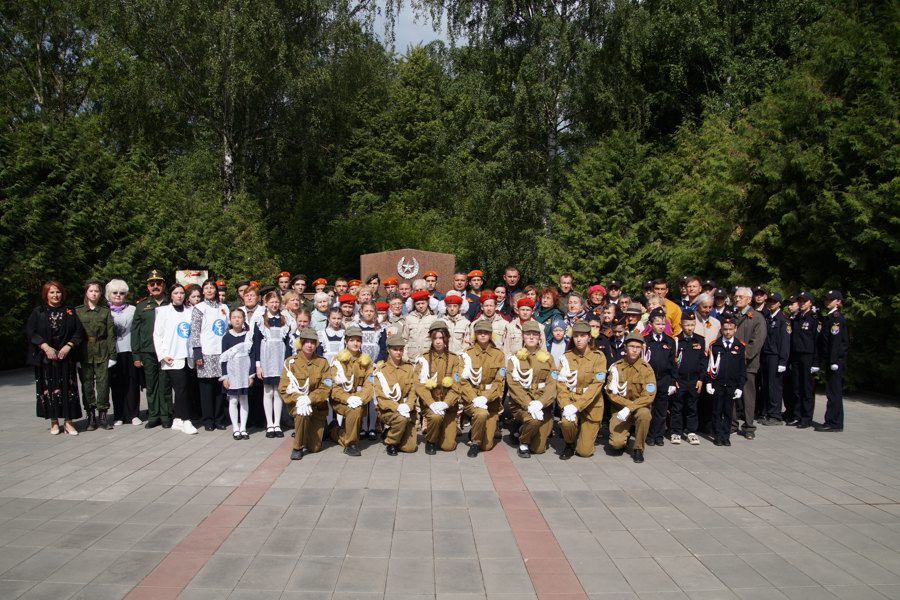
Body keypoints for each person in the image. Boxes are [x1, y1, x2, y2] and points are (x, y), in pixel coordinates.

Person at [26, 281, 84, 436]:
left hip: (66, 357)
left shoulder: (69, 311)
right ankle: (54, 421)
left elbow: (79, 332)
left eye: (58, 292)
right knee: (49, 389)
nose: (55, 295)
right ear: (46, 294)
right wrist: (45, 347)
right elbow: (31, 332)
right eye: (52, 292)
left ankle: (69, 422)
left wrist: (68, 346)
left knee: (68, 388)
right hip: (46, 358)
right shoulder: (39, 312)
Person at [279, 328, 332, 460]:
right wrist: (299, 399)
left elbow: (327, 386)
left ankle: (330, 429)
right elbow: (283, 388)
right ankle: (297, 447)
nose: (309, 345)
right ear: (301, 343)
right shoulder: (290, 363)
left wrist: (309, 399)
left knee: (315, 447)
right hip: (297, 405)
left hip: (317, 407)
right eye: (306, 342)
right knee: (302, 412)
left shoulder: (322, 362)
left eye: (313, 342)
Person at [557, 322, 607, 459]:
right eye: (576, 336)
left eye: (583, 336)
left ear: (589, 337)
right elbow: (561, 384)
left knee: (585, 452)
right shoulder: (566, 357)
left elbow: (597, 385)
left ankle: (585, 439)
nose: (579, 339)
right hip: (571, 397)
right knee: (567, 422)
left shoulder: (598, 357)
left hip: (591, 404)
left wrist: (577, 406)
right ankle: (569, 443)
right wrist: (566, 404)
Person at [153, 283, 198, 434]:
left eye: (181, 293)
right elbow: (157, 335)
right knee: (181, 388)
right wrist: (162, 354)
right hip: (172, 356)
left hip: (188, 355)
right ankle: (186, 420)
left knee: (185, 388)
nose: (179, 295)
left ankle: (177, 419)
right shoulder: (163, 311)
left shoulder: (191, 311)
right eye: (176, 293)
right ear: (170, 295)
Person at [507, 321, 556, 458]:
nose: (532, 337)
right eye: (528, 334)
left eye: (535, 334)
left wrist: (541, 403)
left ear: (540, 337)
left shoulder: (548, 358)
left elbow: (552, 383)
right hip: (522, 404)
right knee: (533, 421)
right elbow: (513, 385)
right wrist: (528, 403)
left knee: (539, 449)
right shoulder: (515, 358)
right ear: (523, 336)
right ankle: (523, 442)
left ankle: (522, 429)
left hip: (542, 404)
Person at [606, 332, 656, 463]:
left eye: (638, 347)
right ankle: (624, 437)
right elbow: (611, 392)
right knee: (616, 445)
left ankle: (638, 448)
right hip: (620, 409)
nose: (634, 350)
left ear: (642, 349)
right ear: (625, 347)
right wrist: (626, 406)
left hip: (639, 407)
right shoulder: (616, 367)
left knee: (645, 414)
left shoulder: (647, 369)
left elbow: (649, 395)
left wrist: (631, 407)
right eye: (631, 346)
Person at [459, 320, 506, 457]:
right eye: (480, 332)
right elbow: (462, 381)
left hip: (490, 401)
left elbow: (499, 381)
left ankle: (475, 432)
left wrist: (485, 397)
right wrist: (474, 398)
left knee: (487, 446)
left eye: (486, 333)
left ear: (491, 335)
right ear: (475, 335)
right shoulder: (467, 354)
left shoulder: (499, 355)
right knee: (480, 413)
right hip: (472, 399)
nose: (483, 335)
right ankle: (474, 442)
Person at [414, 321, 462, 454]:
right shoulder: (423, 359)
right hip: (431, 405)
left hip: (449, 406)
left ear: (446, 338)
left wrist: (446, 404)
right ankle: (430, 440)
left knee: (448, 446)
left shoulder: (454, 359)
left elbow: (457, 385)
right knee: (435, 417)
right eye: (435, 338)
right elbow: (419, 384)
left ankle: (440, 430)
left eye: (441, 338)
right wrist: (431, 403)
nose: (438, 342)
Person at [132, 270, 172, 429]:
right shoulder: (142, 306)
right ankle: (154, 415)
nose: (155, 286)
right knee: (151, 385)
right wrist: (136, 354)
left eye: (159, 283)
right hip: (148, 351)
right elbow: (135, 331)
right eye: (152, 284)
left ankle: (166, 415)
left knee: (166, 384)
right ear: (148, 287)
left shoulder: (171, 303)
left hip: (167, 351)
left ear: (163, 285)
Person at [76, 280, 116, 431]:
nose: (94, 293)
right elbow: (74, 335)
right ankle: (91, 415)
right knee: (87, 384)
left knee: (103, 384)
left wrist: (113, 355)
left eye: (97, 291)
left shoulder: (105, 312)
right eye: (91, 290)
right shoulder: (78, 311)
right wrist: (75, 357)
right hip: (84, 351)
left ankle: (103, 414)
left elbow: (111, 334)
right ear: (86, 292)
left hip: (102, 349)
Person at [252, 290, 293, 438]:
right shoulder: (261, 320)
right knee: (268, 391)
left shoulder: (284, 319)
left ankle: (277, 424)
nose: (274, 304)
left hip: (280, 358)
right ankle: (269, 424)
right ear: (266, 303)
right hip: (266, 359)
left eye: (277, 302)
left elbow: (288, 343)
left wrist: (287, 363)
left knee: (278, 392)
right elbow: (256, 342)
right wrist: (258, 365)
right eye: (272, 302)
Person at [190, 279, 230, 431]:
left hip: (221, 352)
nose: (209, 290)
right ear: (203, 291)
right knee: (206, 388)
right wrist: (197, 353)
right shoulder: (199, 308)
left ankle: (219, 418)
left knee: (220, 387)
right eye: (206, 288)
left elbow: (227, 328)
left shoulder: (224, 307)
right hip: (206, 353)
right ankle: (208, 419)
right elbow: (194, 331)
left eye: (211, 287)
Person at [329, 324, 373, 456]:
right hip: (340, 401)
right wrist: (348, 398)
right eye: (352, 340)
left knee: (356, 409)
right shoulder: (338, 361)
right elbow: (334, 387)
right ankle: (351, 443)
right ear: (346, 341)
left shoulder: (366, 361)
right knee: (355, 411)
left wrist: (360, 398)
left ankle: (335, 432)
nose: (355, 343)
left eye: (358, 340)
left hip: (359, 400)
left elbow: (370, 384)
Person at [705, 314, 747, 446]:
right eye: (725, 329)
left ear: (735, 329)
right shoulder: (715, 345)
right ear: (721, 330)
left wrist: (740, 386)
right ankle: (717, 435)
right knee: (717, 411)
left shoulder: (739, 346)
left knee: (729, 412)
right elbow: (709, 366)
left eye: (730, 328)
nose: (728, 332)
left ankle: (726, 435)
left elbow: (742, 368)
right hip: (717, 384)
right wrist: (708, 382)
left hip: (731, 385)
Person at [375, 334, 419, 455]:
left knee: (410, 448)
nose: (398, 352)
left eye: (401, 349)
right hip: (389, 410)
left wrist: (408, 405)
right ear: (388, 350)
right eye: (395, 349)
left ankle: (391, 432)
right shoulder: (381, 370)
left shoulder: (409, 368)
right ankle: (391, 442)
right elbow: (381, 396)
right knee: (400, 418)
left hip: (407, 410)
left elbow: (413, 390)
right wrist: (397, 407)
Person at [106, 279, 141, 427]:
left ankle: (133, 414)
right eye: (115, 293)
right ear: (109, 294)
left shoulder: (133, 309)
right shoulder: (105, 311)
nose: (118, 295)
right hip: (113, 353)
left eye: (122, 293)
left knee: (132, 383)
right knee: (116, 384)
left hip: (130, 350)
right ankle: (119, 414)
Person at [732, 287, 766, 439]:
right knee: (732, 394)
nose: (737, 299)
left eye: (740, 297)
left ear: (749, 299)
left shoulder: (756, 317)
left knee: (747, 396)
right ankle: (732, 424)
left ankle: (748, 426)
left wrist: (744, 356)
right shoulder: (733, 315)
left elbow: (757, 341)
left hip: (747, 363)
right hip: (731, 362)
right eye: (736, 296)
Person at [817, 290, 849, 432]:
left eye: (831, 300)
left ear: (838, 302)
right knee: (832, 391)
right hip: (831, 360)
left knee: (834, 392)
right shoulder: (830, 317)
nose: (827, 301)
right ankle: (834, 421)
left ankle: (834, 422)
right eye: (826, 299)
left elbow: (836, 341)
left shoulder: (836, 318)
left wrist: (834, 360)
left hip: (835, 360)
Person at [671, 311, 705, 445]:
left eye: (692, 325)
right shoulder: (677, 340)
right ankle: (676, 431)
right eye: (687, 325)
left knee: (692, 406)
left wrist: (701, 379)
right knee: (677, 406)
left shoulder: (700, 340)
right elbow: (672, 362)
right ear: (681, 325)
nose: (690, 328)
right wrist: (674, 379)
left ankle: (691, 431)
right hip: (680, 380)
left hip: (694, 380)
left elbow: (703, 361)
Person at [644, 309, 676, 447]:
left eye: (663, 324)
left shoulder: (669, 341)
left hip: (664, 379)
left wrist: (673, 382)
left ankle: (659, 435)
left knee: (661, 409)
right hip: (649, 380)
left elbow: (673, 363)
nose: (661, 326)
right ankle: (649, 435)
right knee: (648, 408)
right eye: (658, 323)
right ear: (650, 324)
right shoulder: (645, 340)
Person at [220, 307, 253, 440]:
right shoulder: (226, 337)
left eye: (239, 317)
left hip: (244, 371)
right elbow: (223, 358)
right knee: (233, 400)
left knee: (244, 399)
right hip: (232, 372)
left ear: (244, 319)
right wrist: (225, 377)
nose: (237, 320)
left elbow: (252, 354)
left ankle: (243, 428)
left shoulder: (248, 336)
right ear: (230, 320)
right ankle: (235, 428)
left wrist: (251, 375)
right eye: (234, 317)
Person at [759, 292, 791, 425]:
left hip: (775, 356)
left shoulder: (783, 319)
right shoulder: (767, 317)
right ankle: (767, 412)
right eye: (769, 301)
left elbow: (785, 341)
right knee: (765, 385)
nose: (771, 303)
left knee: (774, 386)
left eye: (774, 301)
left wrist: (783, 360)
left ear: (779, 303)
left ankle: (775, 414)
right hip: (766, 354)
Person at [404, 290, 436, 362]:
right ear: (414, 305)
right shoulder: (409, 318)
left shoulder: (433, 319)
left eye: (423, 303)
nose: (421, 306)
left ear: (427, 303)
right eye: (418, 304)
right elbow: (405, 339)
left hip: (428, 357)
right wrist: (405, 356)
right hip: (412, 357)